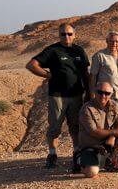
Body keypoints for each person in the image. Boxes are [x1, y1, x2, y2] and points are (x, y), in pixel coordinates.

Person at [26, 23, 90, 171]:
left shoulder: (79, 50)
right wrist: (48, 75)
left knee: (75, 126)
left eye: (69, 34)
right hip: (58, 96)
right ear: (59, 35)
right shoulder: (53, 50)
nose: (66, 37)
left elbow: (85, 73)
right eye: (63, 34)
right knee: (55, 127)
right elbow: (32, 65)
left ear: (74, 35)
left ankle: (76, 154)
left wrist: (89, 92)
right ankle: (52, 154)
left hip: (76, 95)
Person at [77, 82, 118, 177]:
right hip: (90, 145)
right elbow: (94, 132)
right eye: (100, 92)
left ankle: (109, 160)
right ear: (95, 92)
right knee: (91, 172)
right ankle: (79, 160)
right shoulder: (87, 109)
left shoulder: (115, 105)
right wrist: (113, 132)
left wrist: (112, 136)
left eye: (107, 93)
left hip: (106, 143)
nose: (103, 96)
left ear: (111, 94)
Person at [90, 31, 118, 117]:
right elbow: (93, 76)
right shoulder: (99, 56)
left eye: (117, 41)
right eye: (112, 41)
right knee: (106, 121)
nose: (114, 44)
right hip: (106, 95)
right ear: (107, 41)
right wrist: (93, 95)